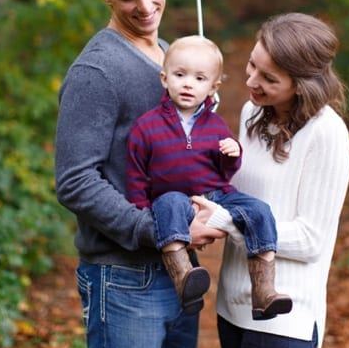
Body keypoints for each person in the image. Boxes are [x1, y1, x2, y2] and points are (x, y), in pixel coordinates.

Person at [53, 0, 223, 348]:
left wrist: (201, 118)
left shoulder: (173, 59)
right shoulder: (97, 71)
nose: (145, 7)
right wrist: (159, 231)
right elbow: (75, 182)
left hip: (179, 272)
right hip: (126, 278)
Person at [193, 13, 349, 348]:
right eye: (252, 65)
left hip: (284, 317)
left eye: (269, 78)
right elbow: (237, 194)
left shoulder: (326, 133)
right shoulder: (253, 112)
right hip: (233, 305)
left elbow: (311, 239)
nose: (251, 80)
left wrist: (225, 221)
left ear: (302, 84)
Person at [125, 35, 292, 319]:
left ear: (213, 88)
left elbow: (226, 172)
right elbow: (136, 173)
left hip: (216, 193)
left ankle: (264, 290)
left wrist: (231, 153)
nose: (188, 83)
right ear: (165, 79)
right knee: (168, 205)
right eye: (180, 75)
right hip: (172, 196)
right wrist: (141, 208)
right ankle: (183, 277)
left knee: (260, 211)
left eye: (199, 78)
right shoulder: (147, 126)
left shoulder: (215, 125)